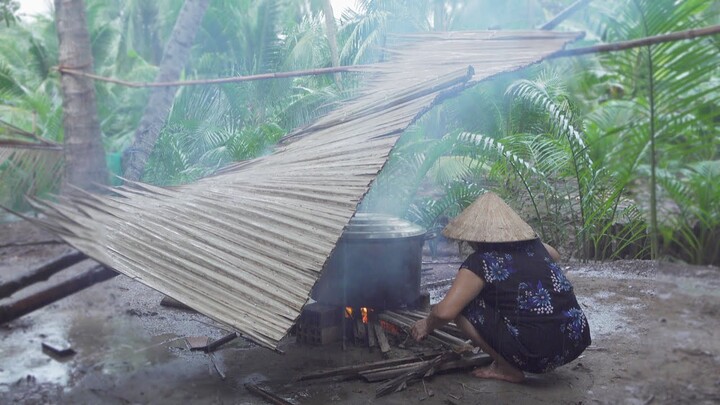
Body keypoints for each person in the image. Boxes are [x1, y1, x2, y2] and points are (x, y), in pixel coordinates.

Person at [410, 192, 591, 383]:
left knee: (464, 308)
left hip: (537, 354)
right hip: (573, 342)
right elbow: (555, 255)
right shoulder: (537, 247)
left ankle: (507, 369)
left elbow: (444, 313)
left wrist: (426, 324)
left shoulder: (481, 262)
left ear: (473, 237)